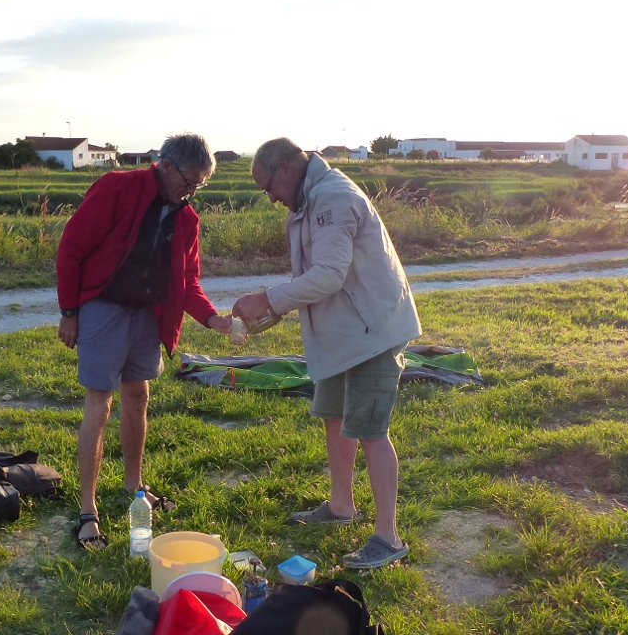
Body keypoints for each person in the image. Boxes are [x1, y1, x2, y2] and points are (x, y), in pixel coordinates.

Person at [233, 138, 422, 569]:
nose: (271, 198)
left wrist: (269, 297)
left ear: (284, 168)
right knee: (334, 417)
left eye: (269, 187)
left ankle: (388, 537)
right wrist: (275, 309)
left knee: (371, 430)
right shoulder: (307, 204)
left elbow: (330, 276)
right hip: (342, 335)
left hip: (372, 330)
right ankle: (341, 506)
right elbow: (312, 277)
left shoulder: (333, 199)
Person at [56, 133, 233, 548]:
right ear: (166, 165)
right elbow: (71, 248)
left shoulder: (187, 219)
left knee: (138, 396)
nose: (193, 191)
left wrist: (212, 319)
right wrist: (69, 312)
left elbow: (188, 281)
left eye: (201, 184)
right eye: (190, 180)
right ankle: (88, 510)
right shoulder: (118, 187)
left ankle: (133, 487)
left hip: (146, 316)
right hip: (104, 306)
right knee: (99, 404)